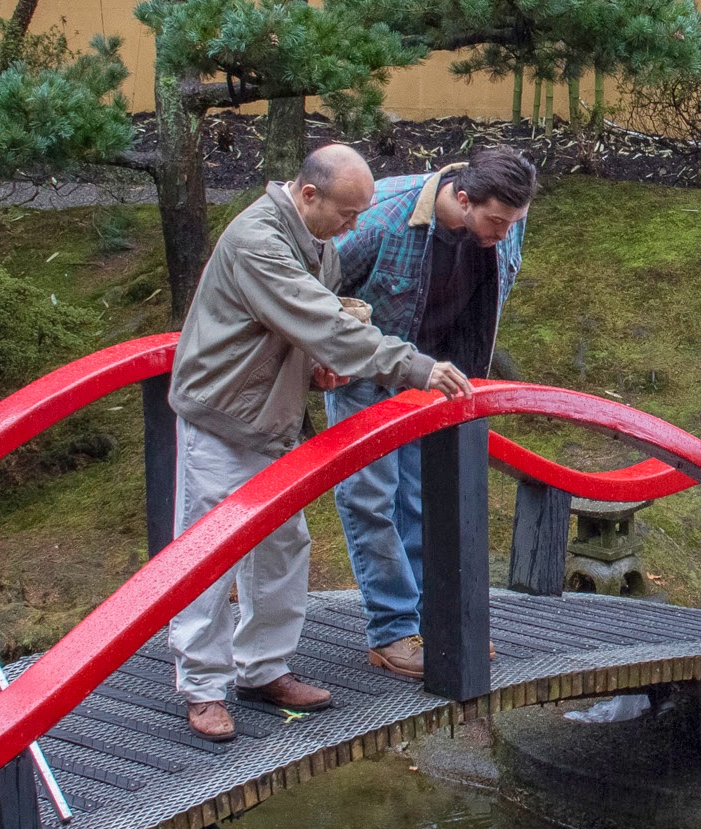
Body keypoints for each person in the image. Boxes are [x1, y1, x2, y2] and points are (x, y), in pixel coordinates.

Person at [167, 145, 474, 740]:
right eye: (349, 214)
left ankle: (262, 668)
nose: (355, 227)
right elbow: (321, 320)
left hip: (272, 418)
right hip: (221, 418)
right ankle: (202, 687)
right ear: (309, 194)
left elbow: (307, 329)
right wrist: (414, 367)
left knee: (284, 544)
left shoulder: (318, 241)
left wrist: (315, 366)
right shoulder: (258, 242)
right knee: (209, 555)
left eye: (361, 215)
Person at [326, 145, 538, 679]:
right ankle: (392, 632)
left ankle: (433, 620)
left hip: (439, 380)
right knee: (372, 500)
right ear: (462, 198)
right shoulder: (381, 218)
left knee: (423, 500)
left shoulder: (506, 216)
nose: (502, 232)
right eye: (494, 221)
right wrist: (326, 355)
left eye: (512, 222)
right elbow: (313, 288)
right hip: (369, 375)